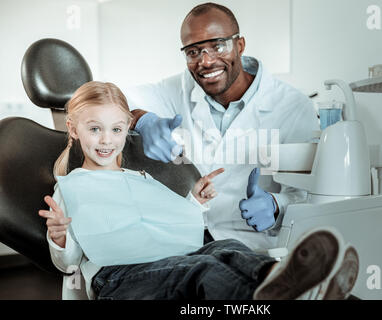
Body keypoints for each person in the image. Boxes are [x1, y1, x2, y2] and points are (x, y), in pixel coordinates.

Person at [38, 81, 359, 300]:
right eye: (95, 129)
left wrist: (196, 202)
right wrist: (60, 238)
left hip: (162, 257)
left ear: (126, 130)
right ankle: (263, 298)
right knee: (202, 270)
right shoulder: (72, 186)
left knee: (226, 249)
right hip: (116, 278)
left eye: (116, 129)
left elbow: (171, 225)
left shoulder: (139, 178)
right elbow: (69, 262)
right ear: (74, 129)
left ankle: (287, 280)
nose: (106, 140)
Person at [125, 2, 320, 251]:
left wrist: (275, 204)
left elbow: (307, 196)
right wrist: (141, 118)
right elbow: (112, 97)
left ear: (239, 45)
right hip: (184, 237)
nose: (205, 61)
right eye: (193, 52)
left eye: (217, 46)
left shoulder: (293, 106)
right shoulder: (178, 88)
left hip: (249, 243)